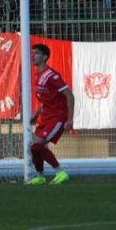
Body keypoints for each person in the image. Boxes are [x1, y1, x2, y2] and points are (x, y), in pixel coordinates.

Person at [26, 43, 73, 185]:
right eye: (33, 53)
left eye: (37, 53)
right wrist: (36, 113)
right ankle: (40, 177)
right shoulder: (37, 75)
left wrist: (70, 120)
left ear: (45, 57)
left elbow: (70, 96)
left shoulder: (52, 75)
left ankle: (61, 172)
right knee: (33, 148)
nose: (33, 55)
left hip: (57, 116)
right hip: (45, 116)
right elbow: (48, 99)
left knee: (37, 146)